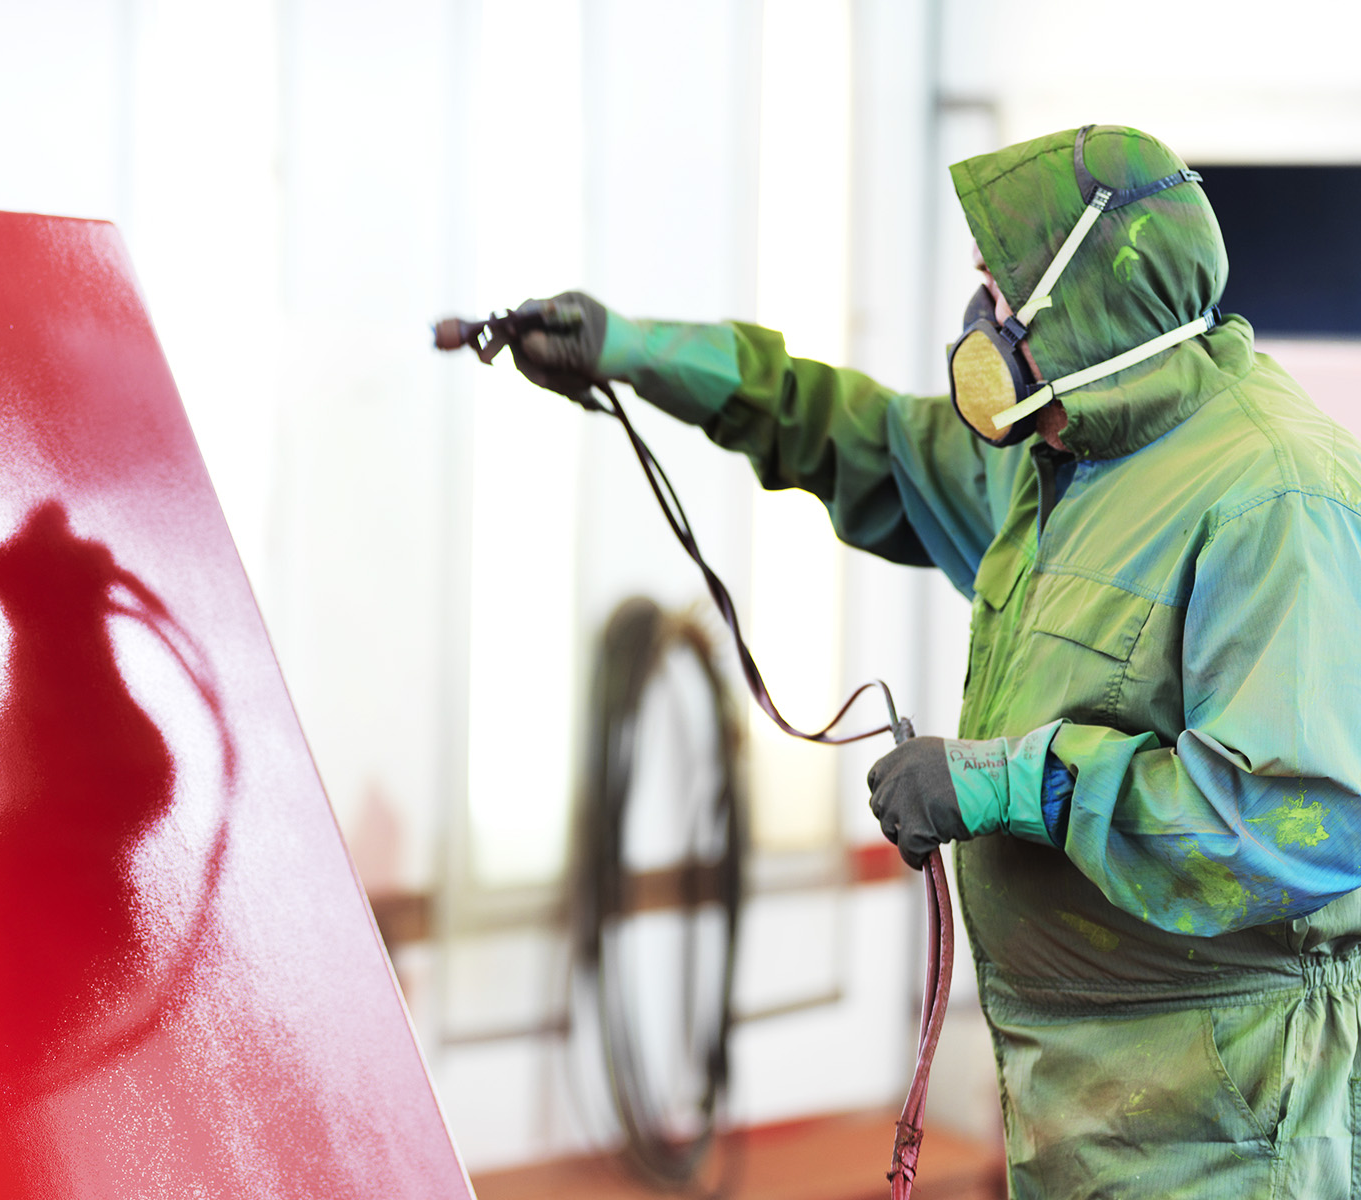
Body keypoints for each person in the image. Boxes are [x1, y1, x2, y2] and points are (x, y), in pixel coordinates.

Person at [508, 124, 1361, 1197]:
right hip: (1086, 1103)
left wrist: (1007, 784)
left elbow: (1297, 825)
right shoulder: (1068, 459)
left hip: (1232, 1121)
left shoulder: (1276, 496)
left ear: (1080, 301)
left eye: (999, 291)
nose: (980, 320)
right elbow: (856, 437)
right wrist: (639, 353)